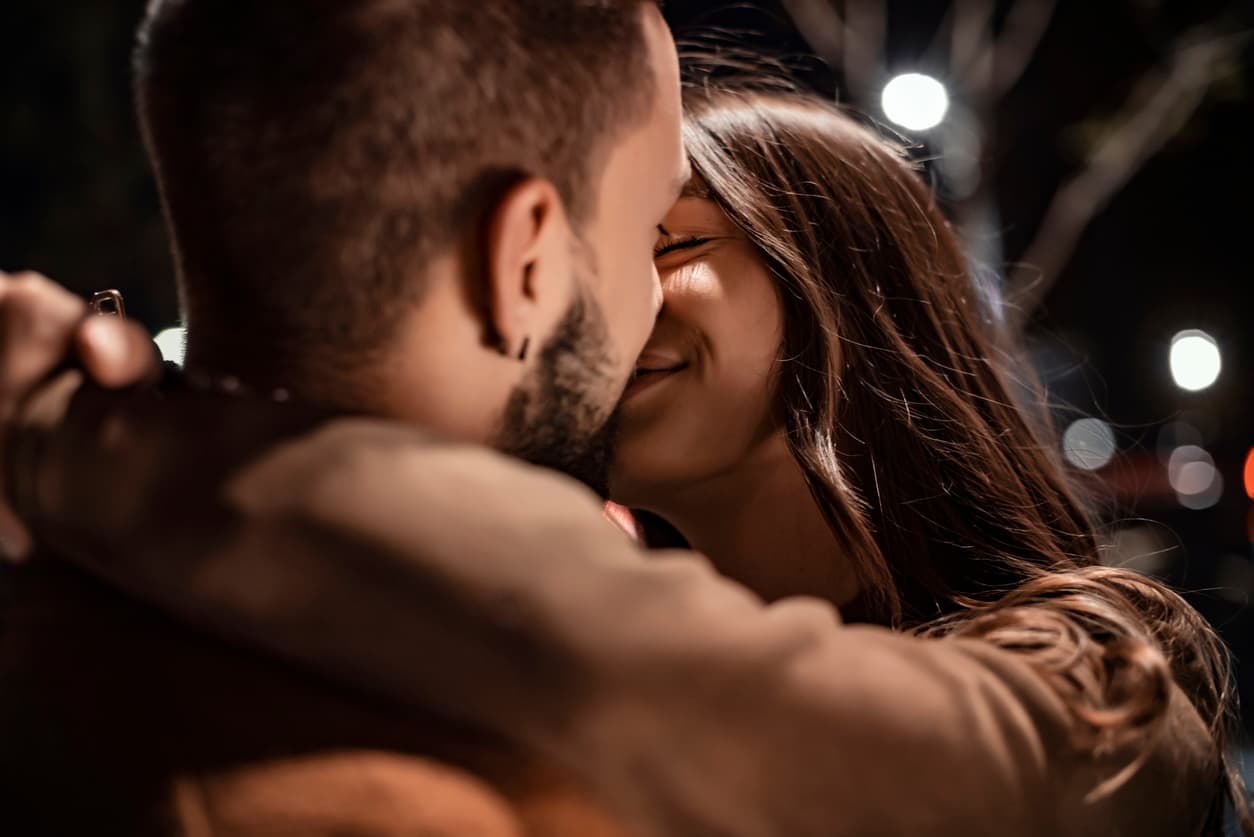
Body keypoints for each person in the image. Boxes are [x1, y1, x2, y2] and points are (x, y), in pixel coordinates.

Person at [4, 85, 1249, 835]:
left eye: (671, 246)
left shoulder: (1110, 667)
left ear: (848, 286)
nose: (599, 321)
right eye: (577, 280)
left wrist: (120, 454)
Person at [0, 0, 688, 834]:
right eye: (654, 230)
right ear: (525, 263)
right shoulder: (529, 779)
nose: (659, 295)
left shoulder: (59, 611)